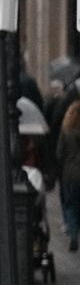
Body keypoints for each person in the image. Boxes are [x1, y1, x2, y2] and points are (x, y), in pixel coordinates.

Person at [58, 103, 80, 252]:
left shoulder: (66, 131)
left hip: (70, 174)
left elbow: (59, 153)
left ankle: (73, 235)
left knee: (71, 206)